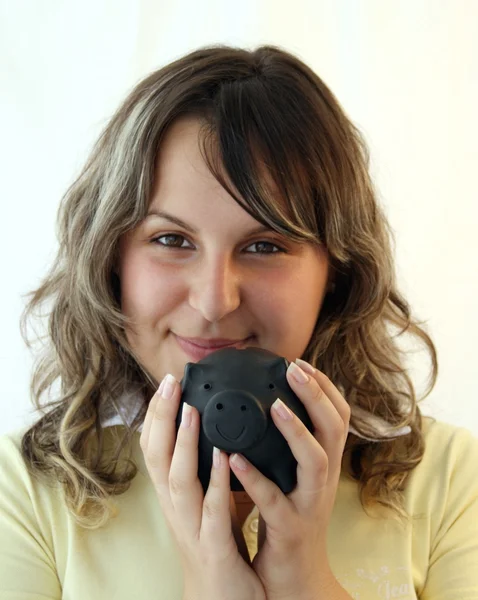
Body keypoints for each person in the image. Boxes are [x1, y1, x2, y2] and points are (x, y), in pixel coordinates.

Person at [0, 44, 477, 600]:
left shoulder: (448, 480)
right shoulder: (26, 492)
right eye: (171, 240)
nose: (214, 300)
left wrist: (304, 579)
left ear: (338, 272)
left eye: (265, 245)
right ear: (111, 260)